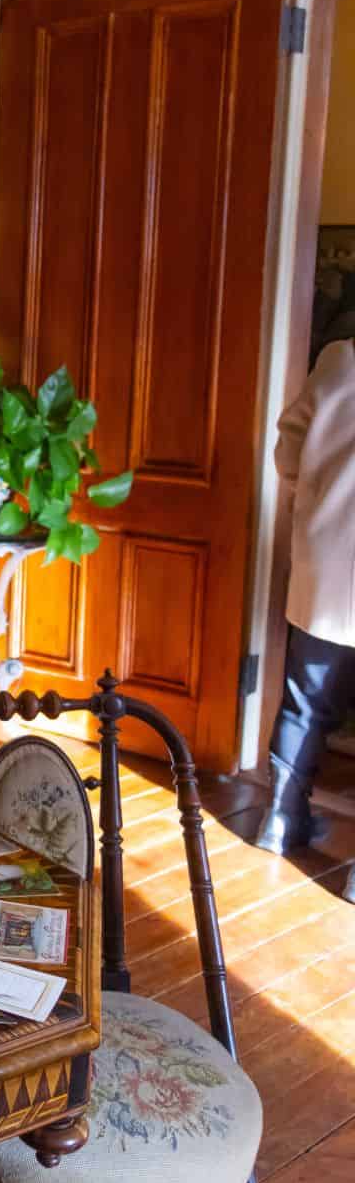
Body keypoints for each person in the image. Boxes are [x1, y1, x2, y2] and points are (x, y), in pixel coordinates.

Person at [258, 335, 355, 902]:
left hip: (327, 554)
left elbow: (288, 446)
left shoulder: (341, 357)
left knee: (305, 701)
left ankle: (279, 818)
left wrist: (312, 494)